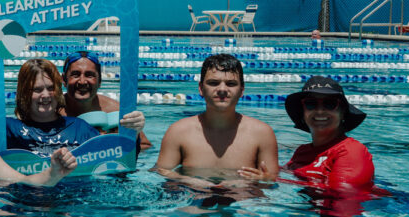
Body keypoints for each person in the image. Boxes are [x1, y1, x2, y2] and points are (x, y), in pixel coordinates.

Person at [154, 53, 279, 181]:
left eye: (231, 84)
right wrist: (189, 181)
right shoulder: (179, 131)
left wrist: (264, 179)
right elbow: (160, 171)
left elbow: (273, 180)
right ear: (201, 88)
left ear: (242, 90)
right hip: (194, 195)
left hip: (243, 198)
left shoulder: (262, 133)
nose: (222, 89)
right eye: (213, 83)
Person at [0, 55, 99, 157]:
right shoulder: (8, 130)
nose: (46, 95)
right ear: (25, 94)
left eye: (50, 88)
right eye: (37, 90)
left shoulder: (80, 129)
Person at [283, 76, 373, 191]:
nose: (320, 111)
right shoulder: (302, 151)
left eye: (330, 104)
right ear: (303, 112)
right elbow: (280, 171)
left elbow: (343, 197)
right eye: (311, 104)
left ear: (343, 112)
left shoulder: (350, 151)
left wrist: (274, 179)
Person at [59, 50, 150, 151]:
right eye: (75, 74)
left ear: (100, 81)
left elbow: (145, 145)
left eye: (89, 75)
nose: (82, 81)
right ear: (64, 79)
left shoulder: (116, 111)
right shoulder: (53, 110)